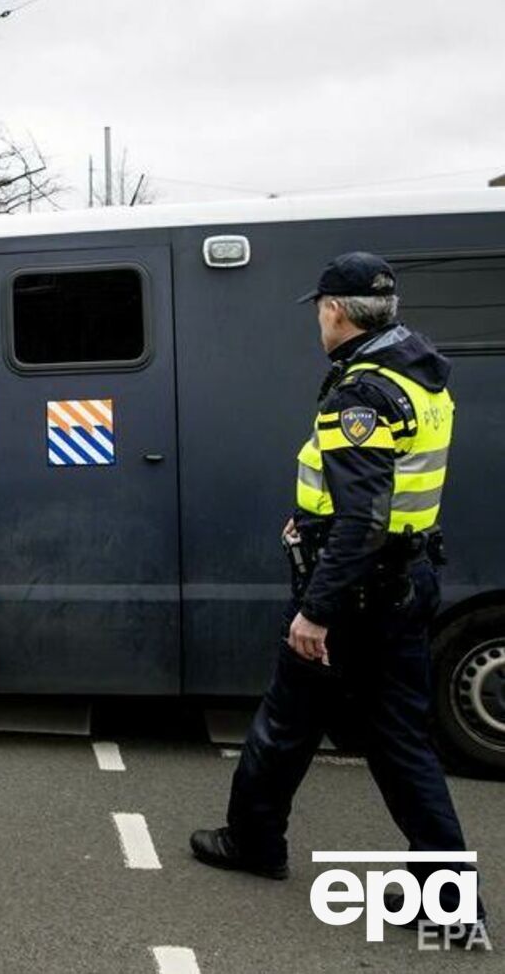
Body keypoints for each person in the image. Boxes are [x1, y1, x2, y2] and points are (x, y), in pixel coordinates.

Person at [190, 253, 487, 941]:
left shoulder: (359, 394)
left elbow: (363, 517)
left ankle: (255, 844)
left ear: (336, 311)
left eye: (320, 308)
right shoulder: (419, 375)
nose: (318, 319)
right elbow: (381, 496)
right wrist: (314, 520)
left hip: (356, 594)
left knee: (287, 724)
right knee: (397, 740)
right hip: (402, 580)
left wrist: (316, 609)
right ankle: (451, 897)